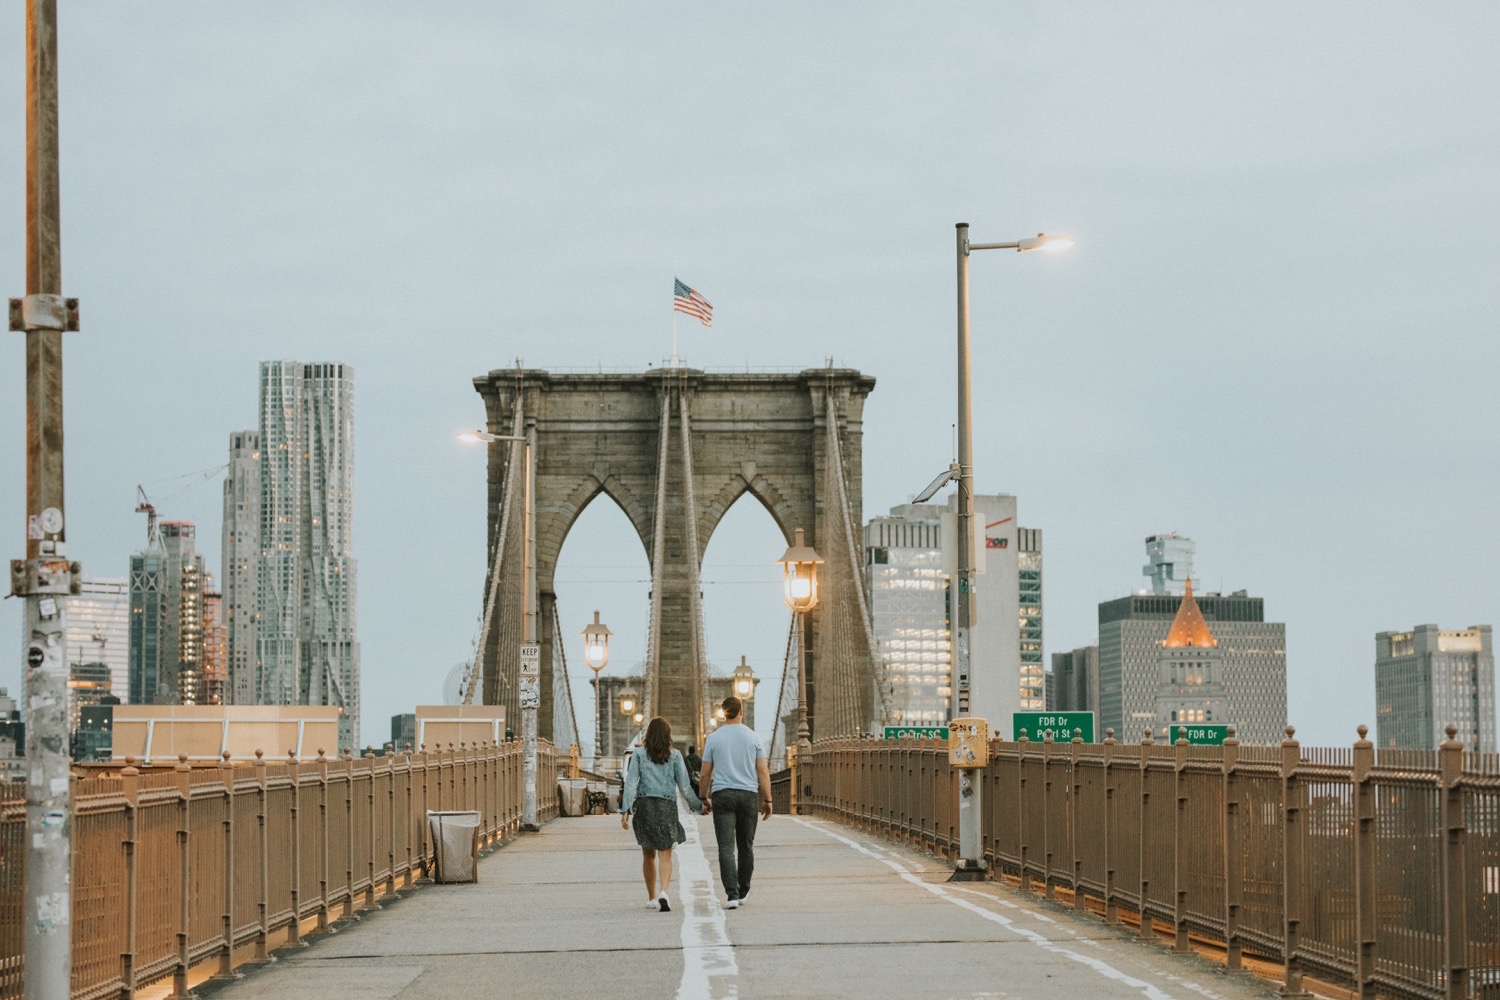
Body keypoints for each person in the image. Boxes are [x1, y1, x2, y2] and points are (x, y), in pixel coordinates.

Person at [619, 717, 702, 912]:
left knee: (648, 855)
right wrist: (699, 806)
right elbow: (684, 786)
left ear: (648, 735)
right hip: (666, 806)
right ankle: (664, 891)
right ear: (668, 735)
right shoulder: (675, 756)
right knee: (666, 854)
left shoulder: (638, 755)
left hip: (645, 805)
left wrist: (626, 810)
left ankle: (652, 898)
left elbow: (631, 783)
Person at [698, 695, 771, 910]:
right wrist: (768, 799)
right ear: (741, 711)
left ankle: (731, 894)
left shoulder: (714, 738)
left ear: (723, 714)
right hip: (748, 795)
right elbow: (763, 771)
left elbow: (704, 774)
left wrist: (703, 797)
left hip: (723, 795)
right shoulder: (753, 737)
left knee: (726, 847)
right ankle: (743, 891)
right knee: (745, 846)